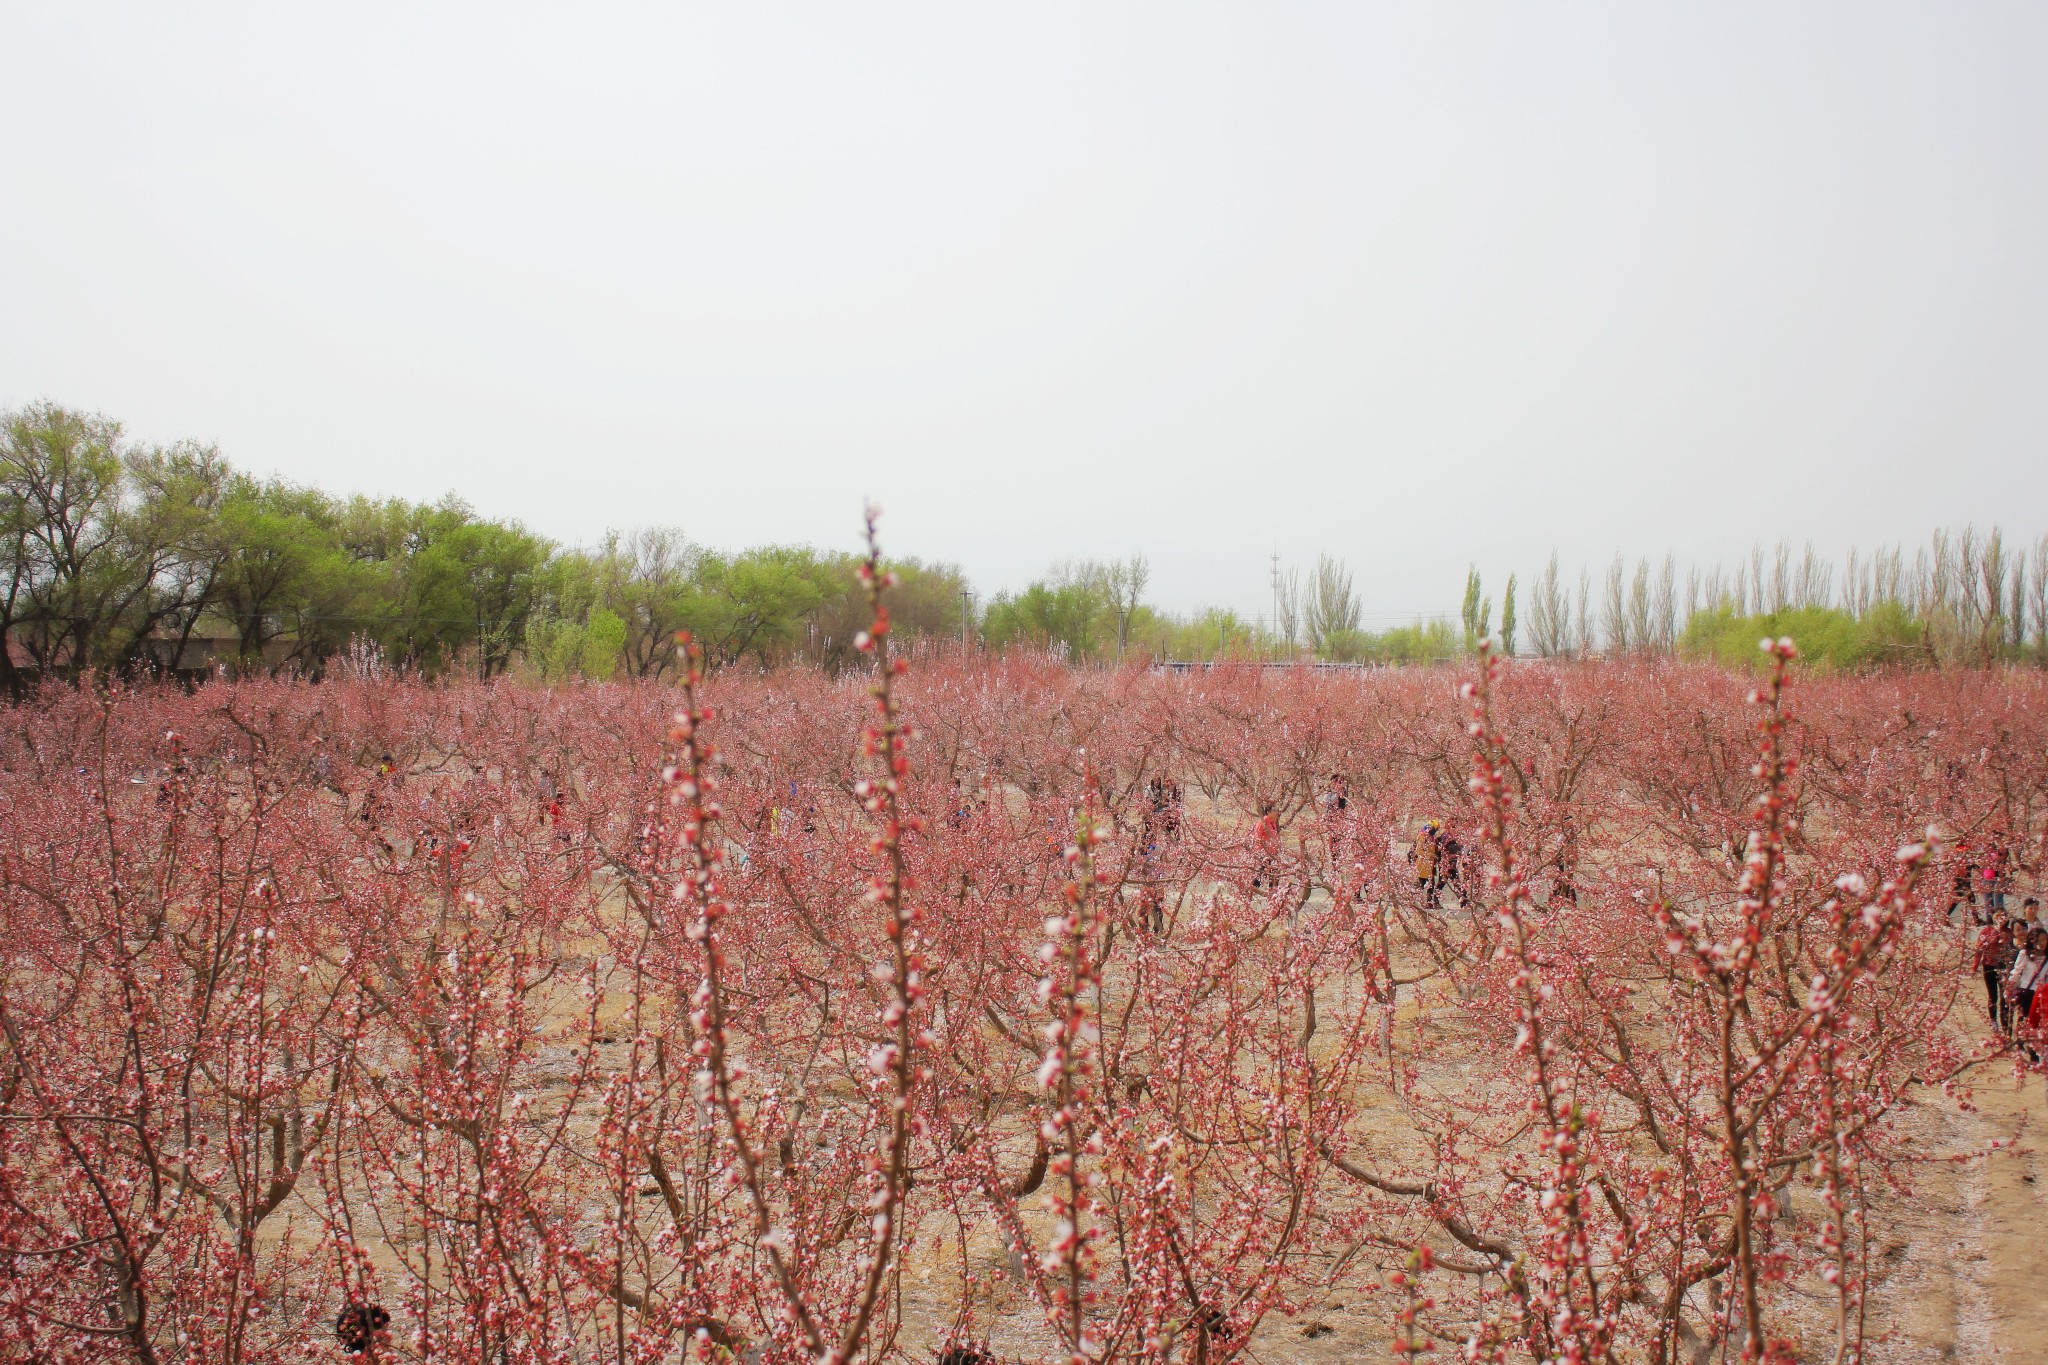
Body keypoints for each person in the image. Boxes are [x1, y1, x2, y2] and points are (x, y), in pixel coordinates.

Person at [2006, 927, 2048, 1041]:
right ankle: (2020, 1040)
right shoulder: (2025, 953)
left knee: (2039, 1019)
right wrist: (2010, 987)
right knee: (2024, 1018)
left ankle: (2034, 1043)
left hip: (2042, 992)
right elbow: (2016, 971)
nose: (2042, 943)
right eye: (2039, 940)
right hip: (2026, 990)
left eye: (2044, 939)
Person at [1977, 917, 2016, 1023]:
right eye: (1998, 915)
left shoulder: (2010, 932)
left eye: (2003, 915)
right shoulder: (1986, 931)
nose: (2001, 918)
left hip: (2005, 966)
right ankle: (1993, 1021)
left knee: (2005, 995)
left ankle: (2005, 1023)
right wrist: (1975, 966)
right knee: (1993, 995)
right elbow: (1979, 949)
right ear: (1993, 916)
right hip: (1989, 966)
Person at [1411, 820, 1441, 908]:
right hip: (1422, 864)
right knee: (1423, 883)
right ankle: (1415, 900)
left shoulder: (1431, 837)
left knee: (1429, 884)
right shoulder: (1422, 836)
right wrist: (1431, 855)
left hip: (1429, 864)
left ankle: (1428, 902)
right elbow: (1419, 850)